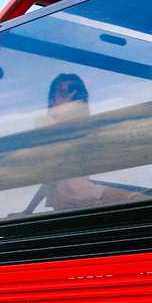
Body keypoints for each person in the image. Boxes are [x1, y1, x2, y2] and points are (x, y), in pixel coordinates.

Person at [29, 72, 109, 212]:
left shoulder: (82, 132)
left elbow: (51, 179)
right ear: (52, 99)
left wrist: (29, 210)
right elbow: (51, 176)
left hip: (78, 198)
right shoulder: (48, 128)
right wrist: (28, 210)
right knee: (136, 199)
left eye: (75, 93)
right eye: (63, 93)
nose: (71, 98)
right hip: (77, 196)